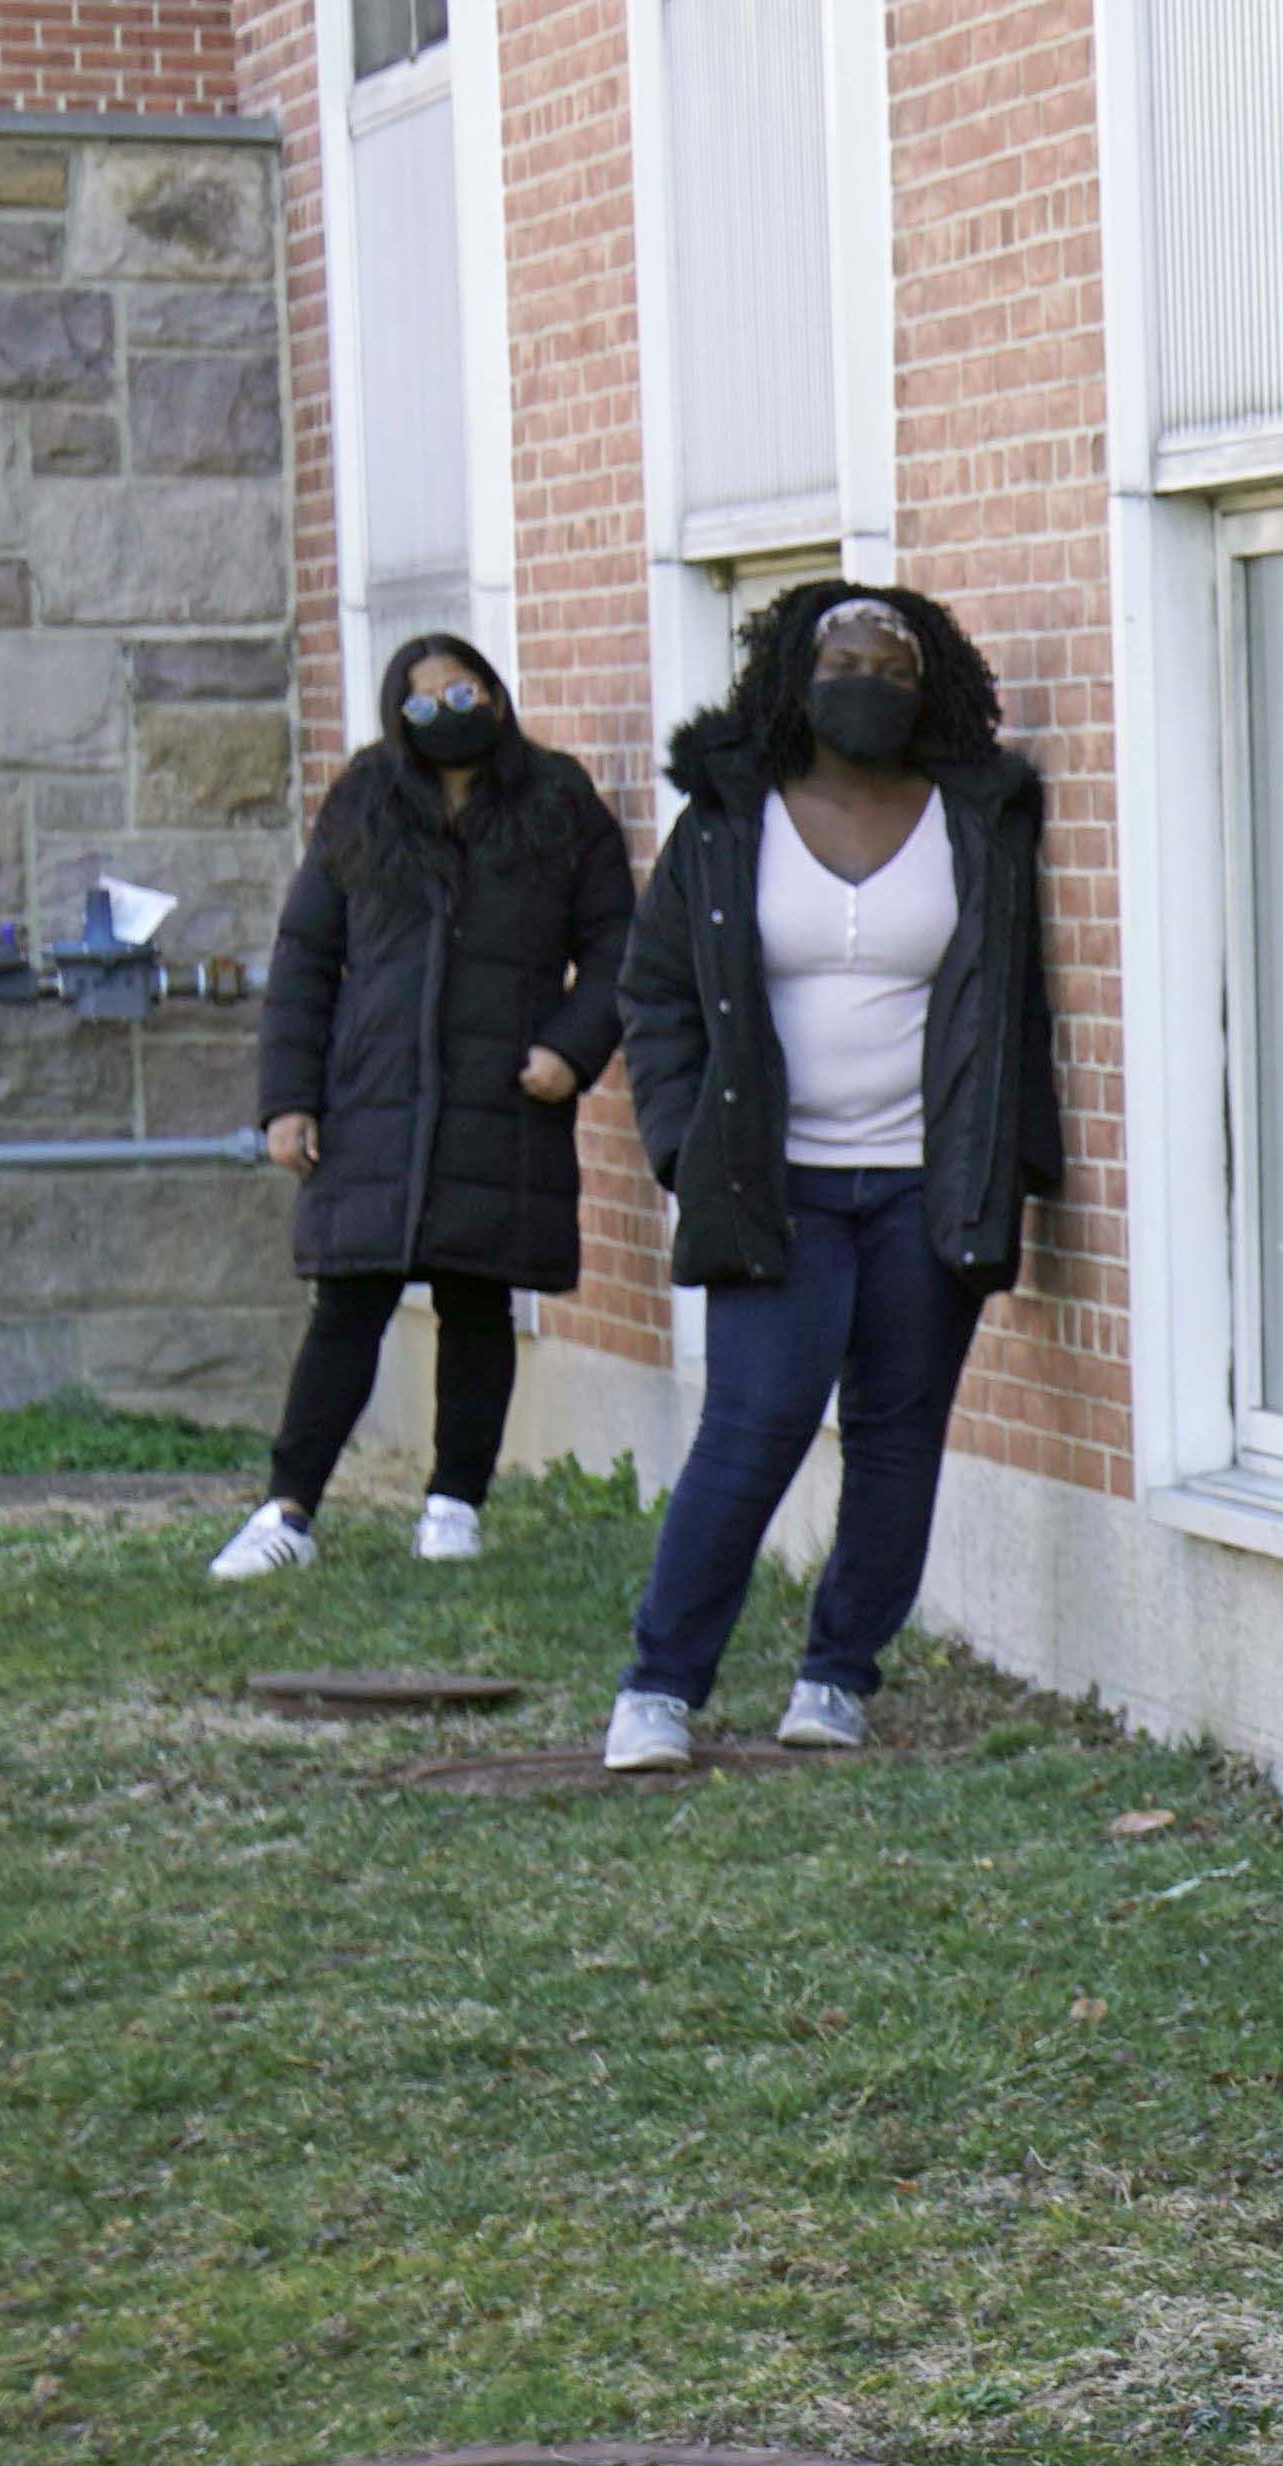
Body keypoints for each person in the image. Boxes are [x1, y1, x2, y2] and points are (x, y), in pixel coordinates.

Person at [606, 588, 1063, 1772]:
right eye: (844, 658)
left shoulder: (977, 819)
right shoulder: (725, 821)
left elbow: (1017, 1005)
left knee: (899, 1434)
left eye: (894, 663)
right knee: (751, 1426)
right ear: (793, 680)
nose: (870, 678)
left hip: (926, 1184)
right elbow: (654, 992)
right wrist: (679, 1145)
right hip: (774, 1183)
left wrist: (1021, 1164)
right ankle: (658, 1687)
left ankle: (836, 1677)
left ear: (932, 684)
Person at [215, 635, 629, 1578]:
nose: (449, 712)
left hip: (503, 1100)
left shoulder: (559, 802)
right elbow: (306, 957)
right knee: (348, 1302)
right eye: (426, 700)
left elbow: (616, 946)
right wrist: (289, 1099)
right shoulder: (364, 801)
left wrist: (572, 1048)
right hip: (373, 1101)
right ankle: (287, 1510)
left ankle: (454, 1505)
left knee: (478, 1300)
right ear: (397, 713)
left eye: (465, 691)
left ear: (495, 691)